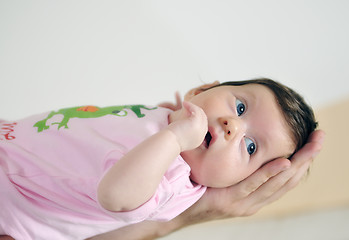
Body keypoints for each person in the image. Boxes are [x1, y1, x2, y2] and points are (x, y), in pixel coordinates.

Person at [0, 78, 319, 239]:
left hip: (12, 203)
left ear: (237, 182)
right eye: (239, 107)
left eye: (250, 148)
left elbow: (116, 196)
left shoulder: (173, 184)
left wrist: (175, 138)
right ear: (201, 89)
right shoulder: (167, 118)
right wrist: (170, 123)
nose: (233, 127)